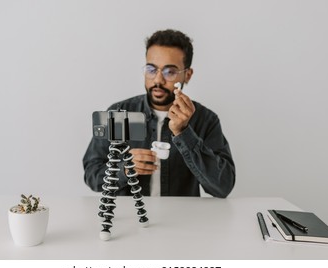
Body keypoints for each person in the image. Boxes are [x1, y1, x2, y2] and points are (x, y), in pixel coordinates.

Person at [83, 29, 235, 198]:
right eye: (151, 69)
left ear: (187, 75)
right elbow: (91, 175)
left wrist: (184, 133)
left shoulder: (205, 120)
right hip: (130, 218)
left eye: (170, 72)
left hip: (183, 220)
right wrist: (123, 169)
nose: (157, 80)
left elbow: (223, 186)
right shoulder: (119, 113)